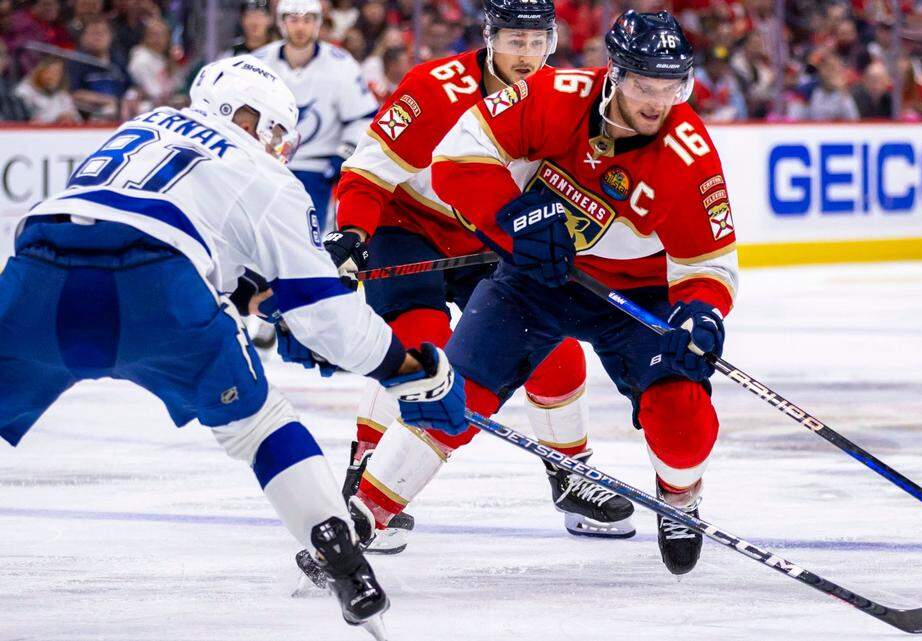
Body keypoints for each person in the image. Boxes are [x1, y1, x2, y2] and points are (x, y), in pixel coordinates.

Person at [0, 54, 467, 631]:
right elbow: (333, 322)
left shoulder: (141, 125)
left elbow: (153, 223)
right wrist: (412, 368)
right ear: (243, 116)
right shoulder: (265, 175)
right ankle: (342, 558)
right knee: (257, 425)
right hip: (158, 290)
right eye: (272, 129)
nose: (276, 145)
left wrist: (264, 299)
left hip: (37, 270)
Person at [429, 10, 738, 575]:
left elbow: (708, 263)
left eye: (672, 86)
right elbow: (459, 160)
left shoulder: (689, 153)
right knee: (454, 383)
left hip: (641, 296)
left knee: (682, 414)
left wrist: (701, 314)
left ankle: (679, 496)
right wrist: (516, 219)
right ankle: (366, 509)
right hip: (542, 281)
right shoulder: (558, 97)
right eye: (646, 84)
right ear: (616, 75)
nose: (658, 101)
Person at [324, 0, 632, 554]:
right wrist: (353, 232)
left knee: (554, 346)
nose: (528, 55)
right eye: (516, 41)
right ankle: (370, 462)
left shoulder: (561, 99)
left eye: (539, 42)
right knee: (423, 346)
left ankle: (570, 472)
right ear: (489, 38)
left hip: (488, 234)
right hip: (407, 224)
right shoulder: (433, 89)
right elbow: (368, 172)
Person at [253, 0, 377, 232]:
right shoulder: (258, 63)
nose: (300, 27)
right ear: (281, 22)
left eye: (307, 20)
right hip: (267, 167)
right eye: (294, 20)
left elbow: (363, 118)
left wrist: (341, 158)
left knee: (312, 239)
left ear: (318, 23)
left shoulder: (341, 64)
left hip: (317, 169)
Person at [14, 55, 80, 123]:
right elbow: (20, 118)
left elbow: (78, 121)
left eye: (58, 73)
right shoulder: (24, 91)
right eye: (50, 71)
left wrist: (69, 119)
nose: (54, 76)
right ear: (40, 71)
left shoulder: (63, 96)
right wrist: (55, 120)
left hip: (62, 132)